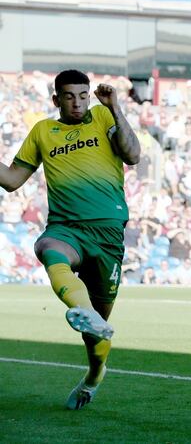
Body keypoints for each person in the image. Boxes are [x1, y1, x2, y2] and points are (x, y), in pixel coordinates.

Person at [0, 69, 140, 409]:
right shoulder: (43, 131)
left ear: (89, 96)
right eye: (69, 96)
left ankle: (94, 374)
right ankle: (81, 308)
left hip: (108, 233)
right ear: (56, 100)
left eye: (82, 96)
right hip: (66, 227)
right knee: (47, 247)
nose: (77, 103)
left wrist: (116, 107)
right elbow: (12, 179)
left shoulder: (104, 116)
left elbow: (132, 155)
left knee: (96, 332)